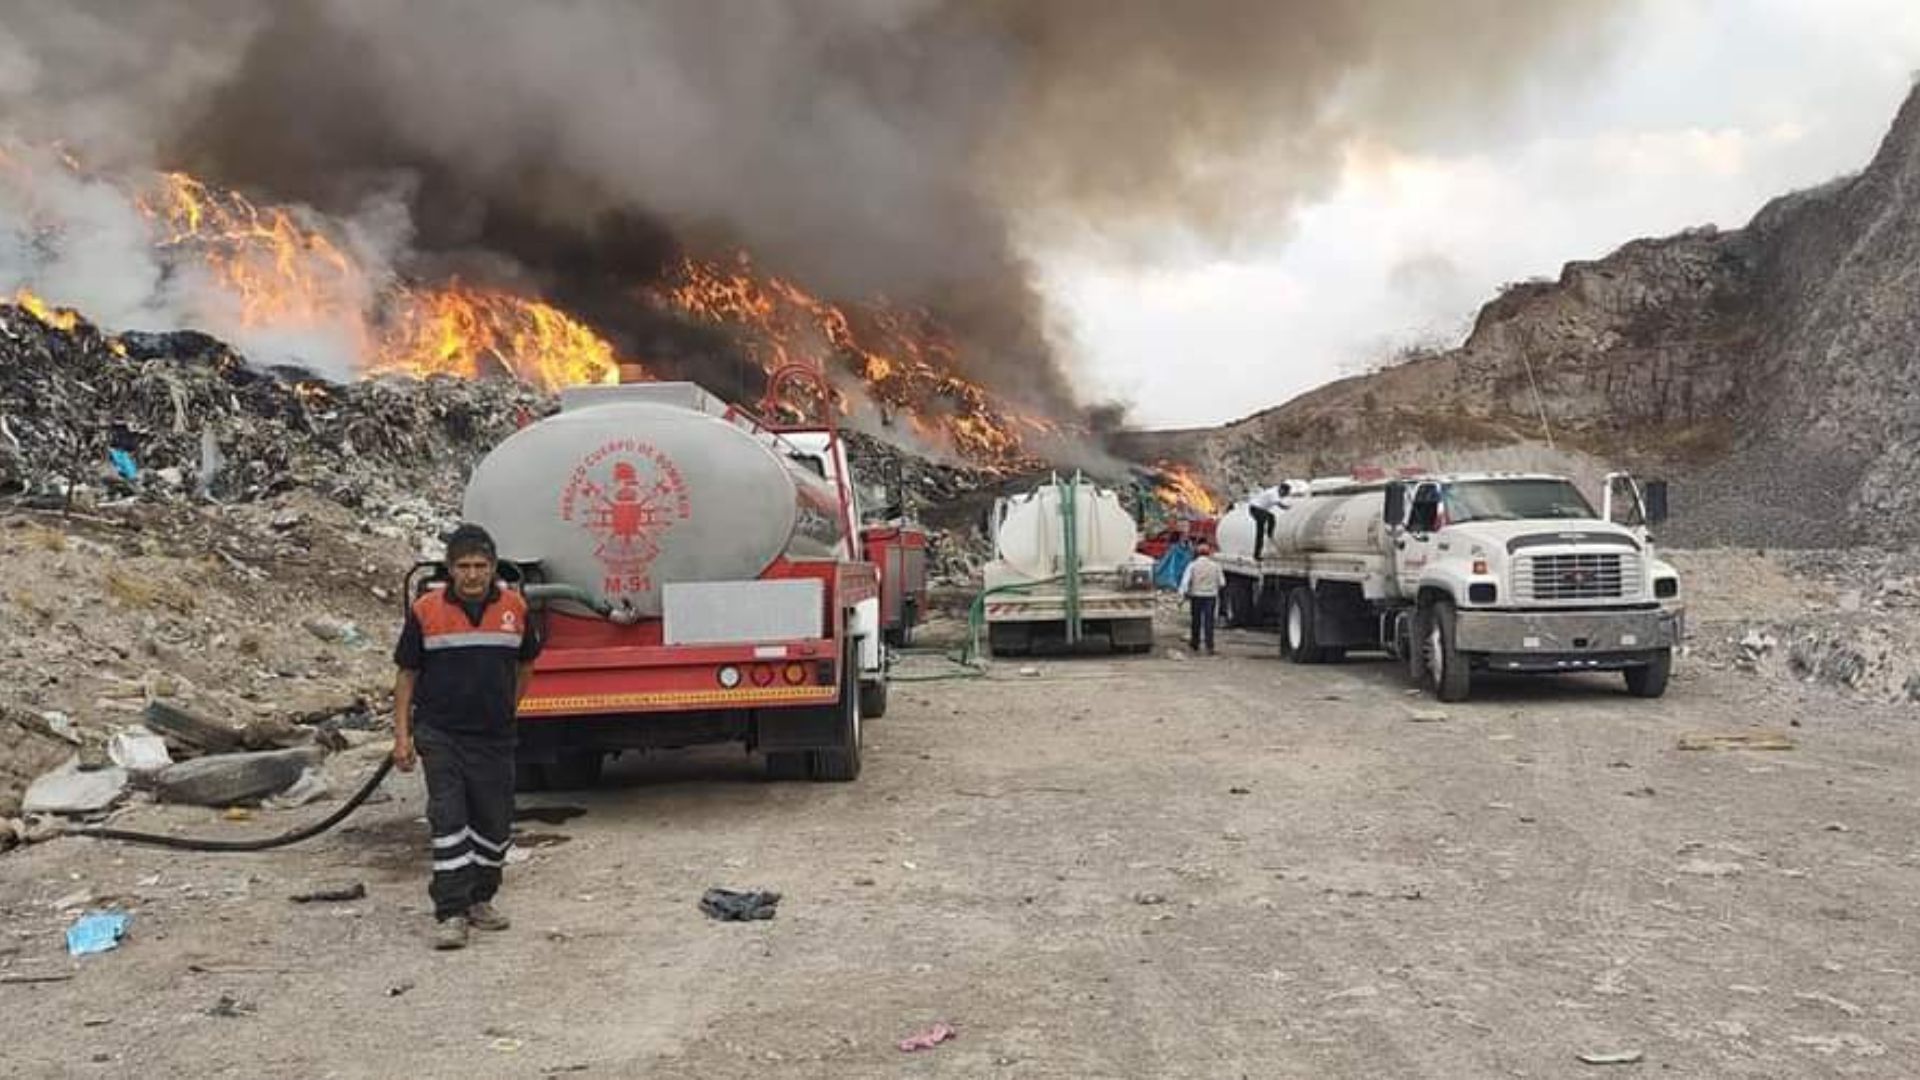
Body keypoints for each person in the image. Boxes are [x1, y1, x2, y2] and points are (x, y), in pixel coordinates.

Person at [392, 524, 542, 951]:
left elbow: (526, 665)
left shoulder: (514, 608)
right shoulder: (426, 611)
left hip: (494, 737)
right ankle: (451, 911)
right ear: (450, 569)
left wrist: (506, 708)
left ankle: (482, 898)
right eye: (463, 567)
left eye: (480, 566)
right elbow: (406, 676)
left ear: (493, 568)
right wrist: (402, 737)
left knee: (493, 824)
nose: (472, 575)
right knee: (448, 820)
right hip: (441, 734)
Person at [1178, 541, 1226, 655]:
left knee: (1196, 620)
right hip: (1210, 596)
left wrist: (1181, 596)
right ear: (1209, 553)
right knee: (1209, 621)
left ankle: (1195, 643)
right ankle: (1210, 646)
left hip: (1196, 596)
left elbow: (1185, 582)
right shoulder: (1216, 566)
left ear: (1197, 553)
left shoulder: (1192, 565)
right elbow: (1222, 582)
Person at [1246, 482, 1293, 561]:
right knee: (1260, 531)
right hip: (1255, 509)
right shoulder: (1273, 493)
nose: (1284, 496)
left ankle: (1269, 533)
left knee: (1271, 517)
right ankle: (1257, 554)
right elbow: (1280, 505)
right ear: (1281, 490)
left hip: (1259, 509)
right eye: (1284, 493)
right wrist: (1288, 508)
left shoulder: (1275, 490)